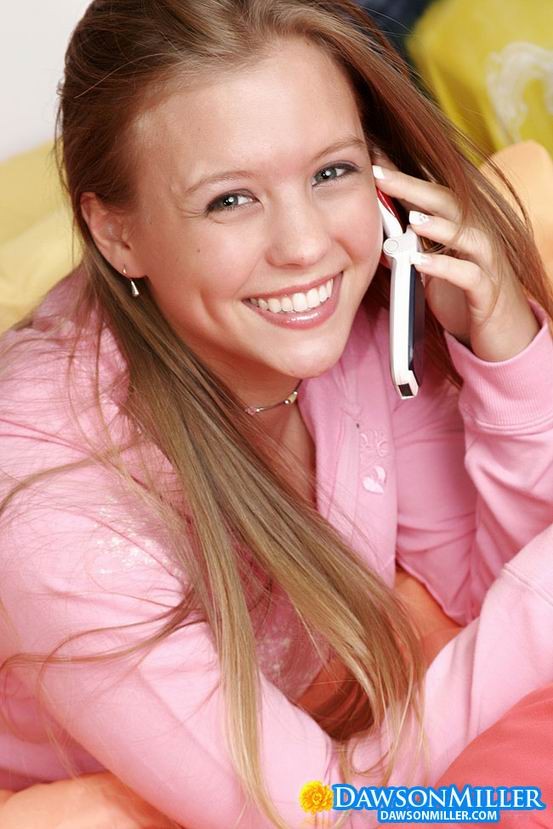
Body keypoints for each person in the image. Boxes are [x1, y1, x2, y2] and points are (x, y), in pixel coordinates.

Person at [0, 1, 553, 828]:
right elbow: (308, 808)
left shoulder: (355, 324)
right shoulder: (58, 509)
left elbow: (482, 588)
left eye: (331, 172)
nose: (305, 245)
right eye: (229, 200)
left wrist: (502, 348)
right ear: (115, 234)